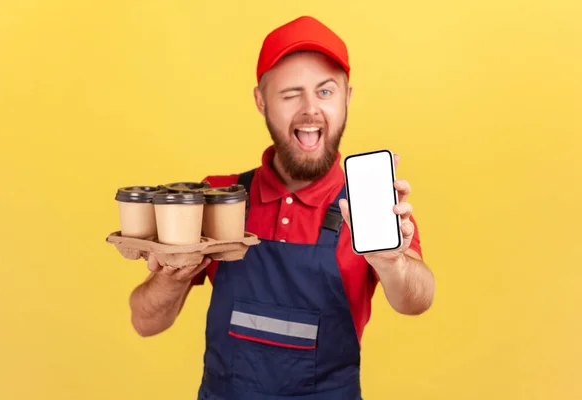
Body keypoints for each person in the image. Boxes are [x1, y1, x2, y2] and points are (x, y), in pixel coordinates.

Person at [129, 15, 435, 400]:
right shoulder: (218, 198)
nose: (310, 110)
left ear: (347, 98)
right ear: (261, 101)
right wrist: (172, 276)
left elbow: (417, 300)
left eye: (325, 92)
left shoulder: (370, 207)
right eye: (291, 94)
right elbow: (145, 321)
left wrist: (394, 263)